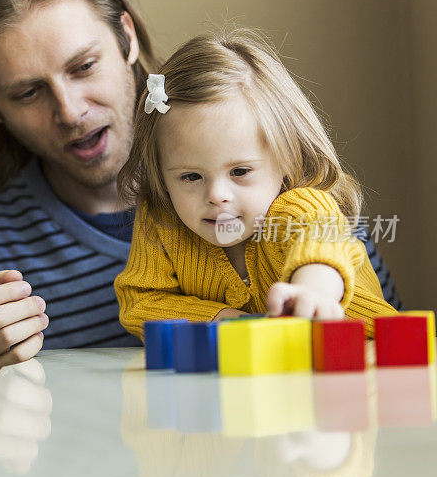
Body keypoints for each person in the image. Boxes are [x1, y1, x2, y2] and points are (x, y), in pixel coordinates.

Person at [0, 0, 401, 415]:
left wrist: (315, 292)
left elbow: (389, 359)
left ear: (126, 37)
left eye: (84, 66)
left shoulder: (290, 202)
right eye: (27, 92)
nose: (70, 110)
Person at [115, 29, 396, 340]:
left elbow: (321, 249)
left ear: (287, 158)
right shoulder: (162, 223)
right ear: (161, 176)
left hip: (371, 353)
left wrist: (312, 293)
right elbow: (139, 302)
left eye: (240, 172)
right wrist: (217, 320)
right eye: (191, 176)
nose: (217, 196)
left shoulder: (299, 207)